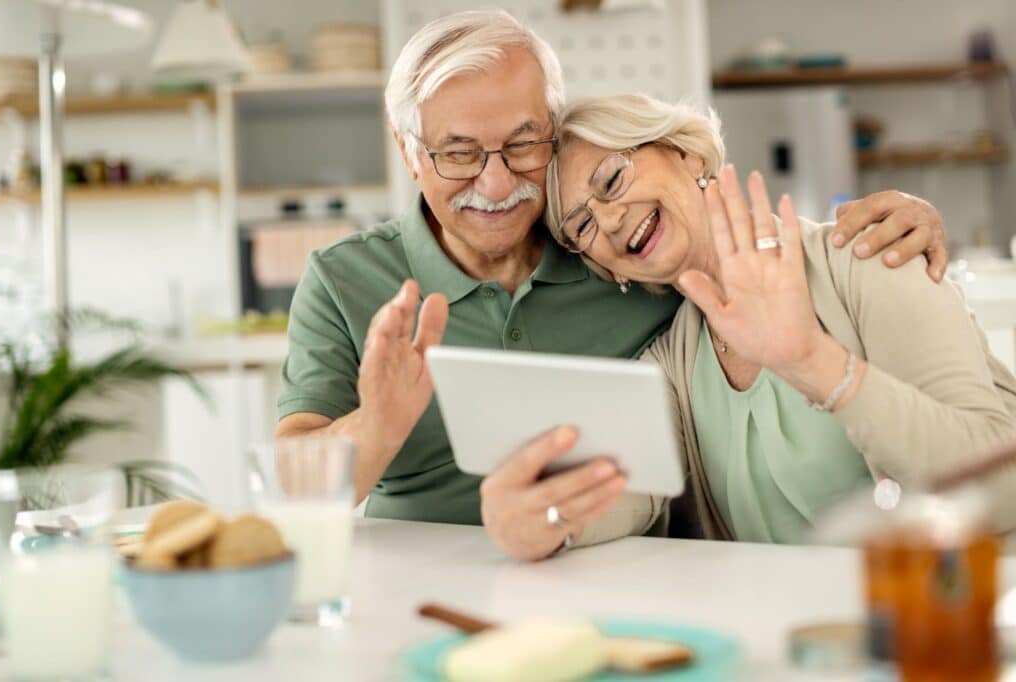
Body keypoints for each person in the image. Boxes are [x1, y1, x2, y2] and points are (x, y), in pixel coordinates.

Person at [276, 10, 950, 560]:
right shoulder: (342, 279)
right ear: (407, 148)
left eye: (522, 144)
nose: (496, 183)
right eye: (457, 153)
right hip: (413, 585)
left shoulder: (617, 257)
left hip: (623, 578)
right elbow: (289, 491)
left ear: (552, 130)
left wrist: (884, 220)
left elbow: (732, 252)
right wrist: (378, 426)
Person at [544, 93, 1016, 543]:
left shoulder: (870, 257)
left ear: (685, 153)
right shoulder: (675, 362)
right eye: (582, 226)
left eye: (610, 181)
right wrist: (550, 519)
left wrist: (816, 363)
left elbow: (999, 488)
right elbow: (626, 490)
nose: (605, 221)